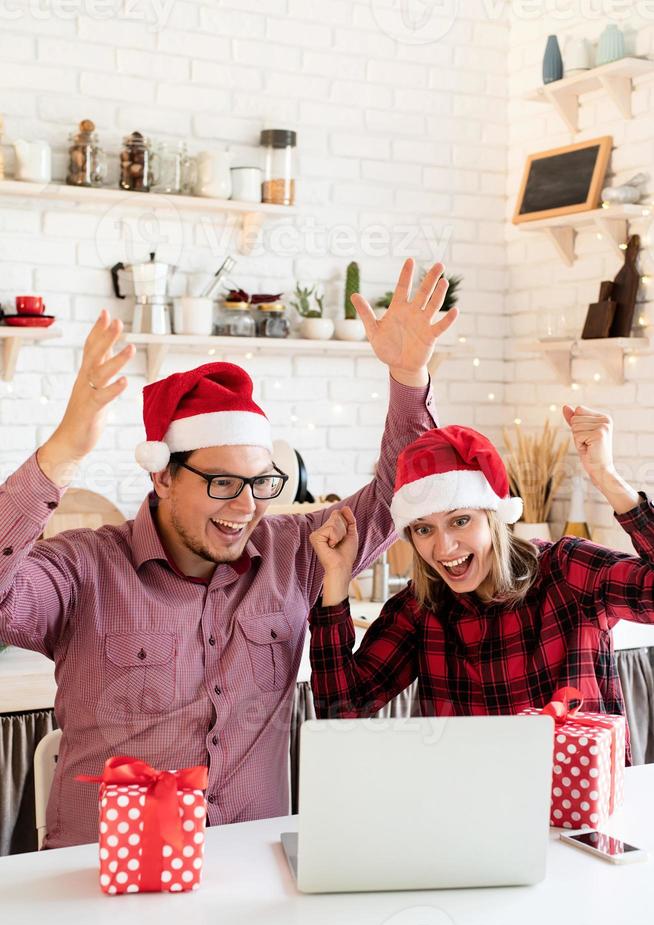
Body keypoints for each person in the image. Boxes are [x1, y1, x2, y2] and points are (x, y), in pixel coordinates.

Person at [0, 259, 458, 848]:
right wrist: (61, 453)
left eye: (261, 483)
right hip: (102, 881)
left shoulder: (294, 553)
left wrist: (408, 375)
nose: (247, 506)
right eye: (222, 483)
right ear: (163, 477)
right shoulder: (84, 568)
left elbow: (403, 497)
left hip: (248, 877)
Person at [309, 407, 653, 761]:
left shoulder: (567, 571)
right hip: (465, 806)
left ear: (493, 517)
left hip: (574, 803)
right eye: (424, 528)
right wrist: (337, 577)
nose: (443, 548)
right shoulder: (418, 610)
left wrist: (607, 477)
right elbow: (340, 712)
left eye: (460, 521)